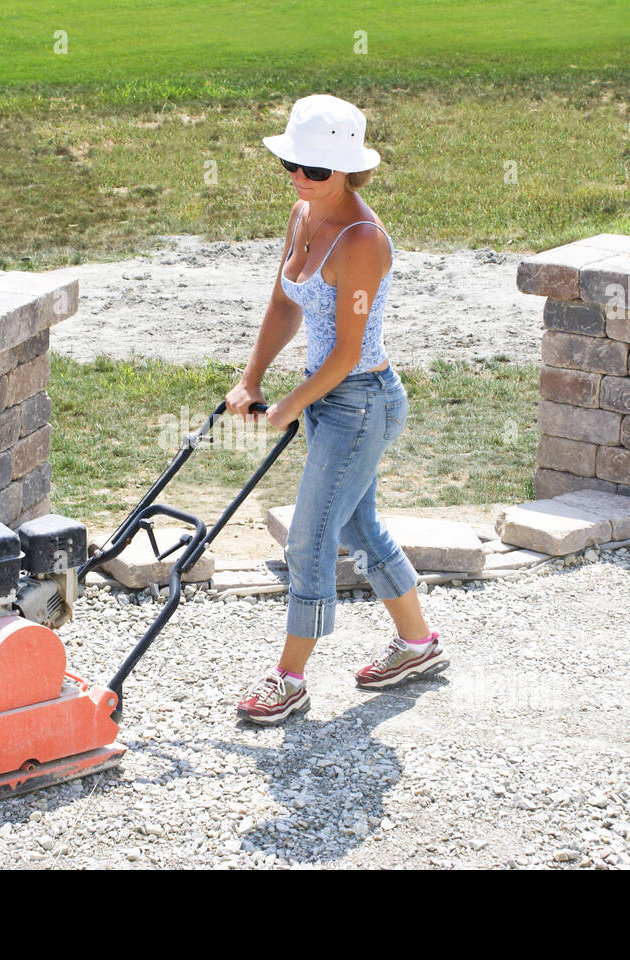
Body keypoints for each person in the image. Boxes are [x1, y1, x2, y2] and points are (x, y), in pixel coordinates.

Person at [224, 94, 447, 725]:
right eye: (292, 165)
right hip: (327, 399)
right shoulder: (303, 215)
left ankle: (289, 678)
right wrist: (253, 378)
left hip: (362, 402)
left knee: (310, 536)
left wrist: (289, 404)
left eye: (314, 170)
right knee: (355, 527)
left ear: (348, 170)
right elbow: (286, 304)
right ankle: (418, 645)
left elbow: (348, 352)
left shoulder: (362, 241)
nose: (299, 179)